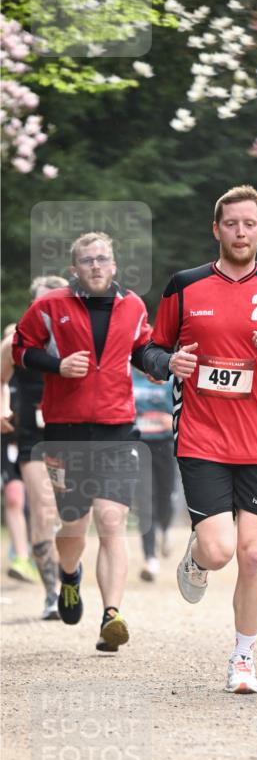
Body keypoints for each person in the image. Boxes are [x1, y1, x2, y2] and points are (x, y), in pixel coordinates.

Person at [142, 185, 257, 695]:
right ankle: (198, 557)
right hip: (202, 440)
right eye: (232, 224)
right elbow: (151, 351)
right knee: (222, 550)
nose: (241, 232)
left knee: (253, 556)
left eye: (250, 224)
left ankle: (243, 658)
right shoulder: (184, 286)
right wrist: (169, 363)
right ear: (217, 229)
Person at [12, 233, 152, 652]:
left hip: (116, 429)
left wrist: (163, 363)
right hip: (65, 432)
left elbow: (142, 349)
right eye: (87, 260)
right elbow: (21, 350)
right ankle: (70, 576)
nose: (95, 266)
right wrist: (57, 365)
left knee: (111, 522)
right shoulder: (50, 307)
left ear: (114, 266)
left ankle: (112, 616)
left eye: (102, 259)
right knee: (74, 523)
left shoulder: (133, 306)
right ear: (75, 269)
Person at [1, 277, 69, 618]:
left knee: (68, 516)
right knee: (43, 509)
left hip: (73, 433)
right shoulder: (17, 337)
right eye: (41, 303)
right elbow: (0, 376)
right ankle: (52, 594)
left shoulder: (77, 333)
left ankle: (68, 573)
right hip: (33, 436)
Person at [132, 367, 176, 581]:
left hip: (165, 445)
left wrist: (174, 419)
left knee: (165, 497)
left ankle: (165, 528)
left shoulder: (171, 376)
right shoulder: (127, 376)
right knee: (145, 501)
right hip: (139, 445)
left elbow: (187, 406)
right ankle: (150, 558)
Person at [1, 336, 35, 585]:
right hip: (7, 446)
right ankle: (21, 558)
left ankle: (42, 550)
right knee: (14, 498)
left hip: (37, 443)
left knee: (42, 504)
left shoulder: (35, 372)